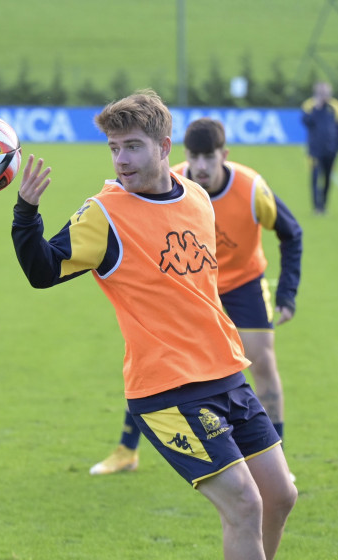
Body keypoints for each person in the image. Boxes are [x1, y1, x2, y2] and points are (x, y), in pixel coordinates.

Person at [11, 91, 297, 560]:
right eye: (114, 148)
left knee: (279, 496)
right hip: (167, 391)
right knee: (244, 504)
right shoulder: (104, 214)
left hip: (226, 373)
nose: (121, 159)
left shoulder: (197, 199)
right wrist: (26, 211)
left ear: (165, 146)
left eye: (133, 147)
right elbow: (41, 270)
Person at [90, 118, 303, 482]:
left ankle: (277, 459)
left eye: (209, 157)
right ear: (181, 152)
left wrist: (286, 293)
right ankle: (126, 450)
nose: (200, 167)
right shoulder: (167, 182)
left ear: (225, 155)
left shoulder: (251, 188)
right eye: (194, 157)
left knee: (263, 363)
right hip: (189, 285)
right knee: (161, 366)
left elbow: (290, 232)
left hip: (243, 284)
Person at [300, 81, 338, 215]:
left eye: (325, 92)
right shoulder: (309, 105)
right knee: (314, 177)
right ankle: (316, 206)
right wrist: (317, 108)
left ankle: (323, 203)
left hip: (330, 149)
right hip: (314, 149)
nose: (324, 95)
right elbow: (306, 122)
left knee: (327, 178)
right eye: (321, 92)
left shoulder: (336, 106)